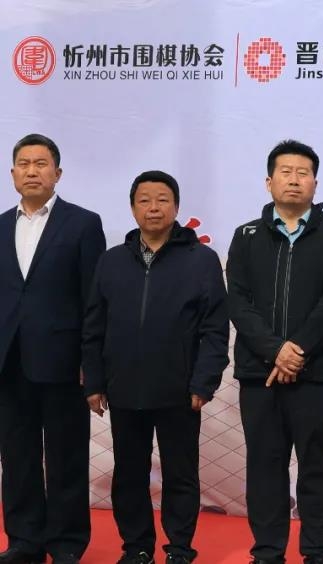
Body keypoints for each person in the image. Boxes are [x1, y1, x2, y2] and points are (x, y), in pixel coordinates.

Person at [83, 170, 229, 564]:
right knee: (129, 474)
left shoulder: (201, 260)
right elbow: (93, 327)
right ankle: (137, 547)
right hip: (123, 388)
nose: (153, 207)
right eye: (144, 200)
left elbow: (215, 330)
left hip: (179, 390)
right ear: (132, 208)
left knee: (180, 475)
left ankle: (179, 548)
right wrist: (93, 381)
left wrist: (204, 382)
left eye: (162, 199)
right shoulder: (112, 261)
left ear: (176, 207)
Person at [226, 140, 323, 564]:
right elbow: (238, 301)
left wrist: (296, 351)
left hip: (318, 373)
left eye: (303, 172)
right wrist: (275, 350)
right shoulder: (245, 236)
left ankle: (319, 552)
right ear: (269, 182)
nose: (294, 179)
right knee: (265, 466)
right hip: (258, 372)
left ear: (315, 182)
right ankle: (267, 552)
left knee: (316, 466)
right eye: (286, 172)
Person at [0, 134, 105, 564]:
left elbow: (94, 299)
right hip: (9, 361)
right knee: (17, 457)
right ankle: (24, 540)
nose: (32, 171)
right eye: (23, 164)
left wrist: (90, 362)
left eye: (41, 164)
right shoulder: (0, 225)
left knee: (66, 456)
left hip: (64, 362)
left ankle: (66, 543)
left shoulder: (83, 224)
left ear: (57, 173)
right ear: (12, 174)